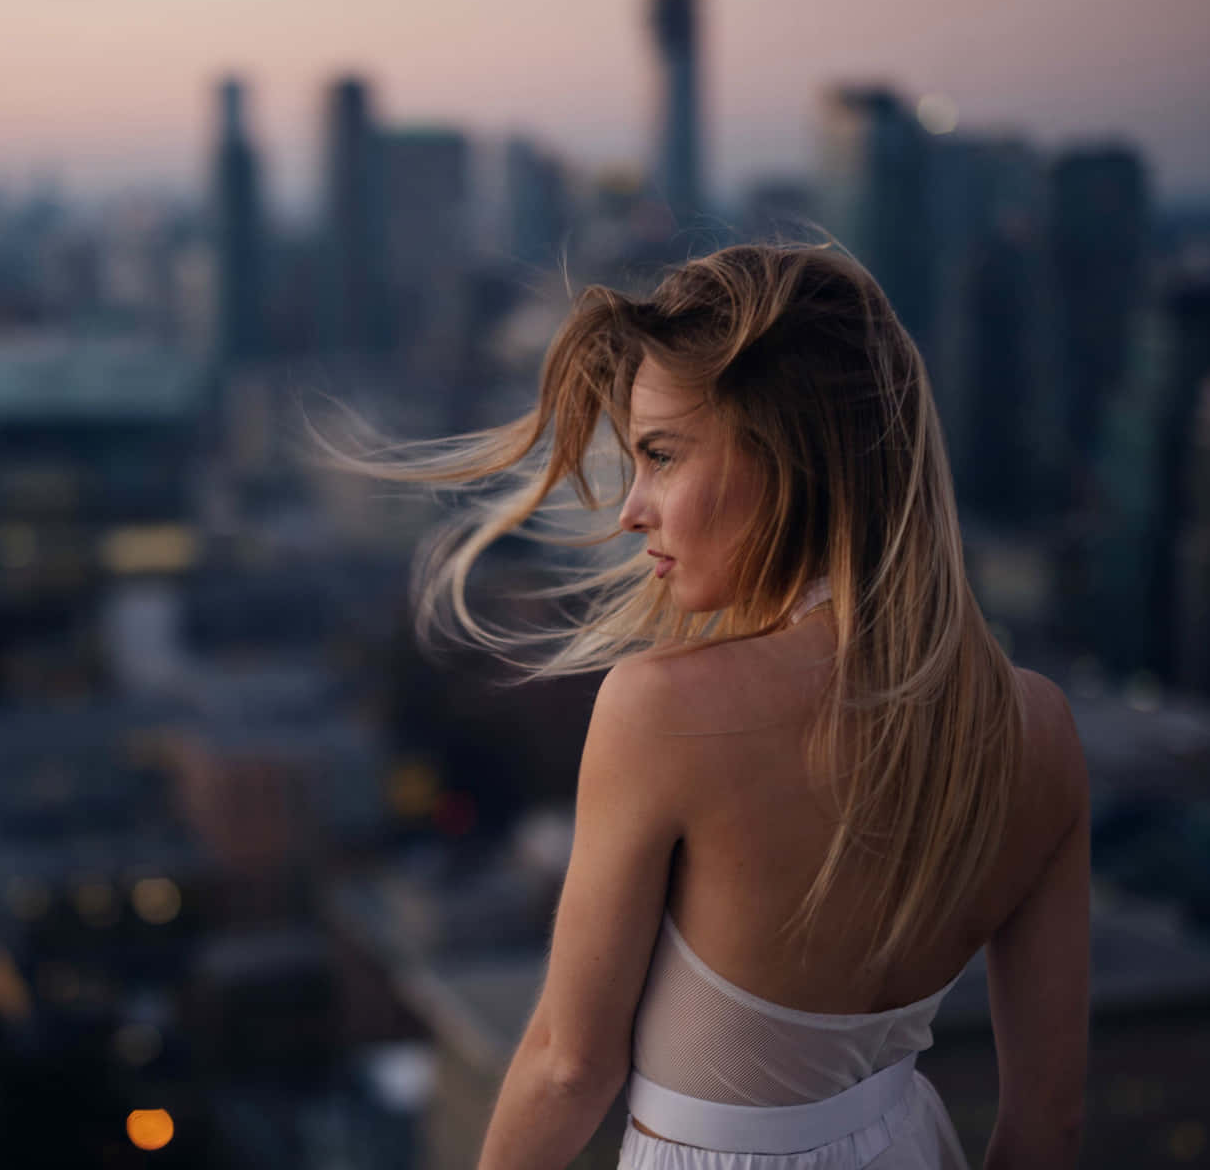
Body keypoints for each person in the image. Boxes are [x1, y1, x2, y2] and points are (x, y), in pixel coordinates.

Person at [333, 243, 1088, 1168]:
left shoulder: (661, 712)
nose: (630, 510)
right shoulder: (1039, 727)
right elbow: (1047, 1127)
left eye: (659, 455)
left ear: (790, 457)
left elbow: (569, 1068)